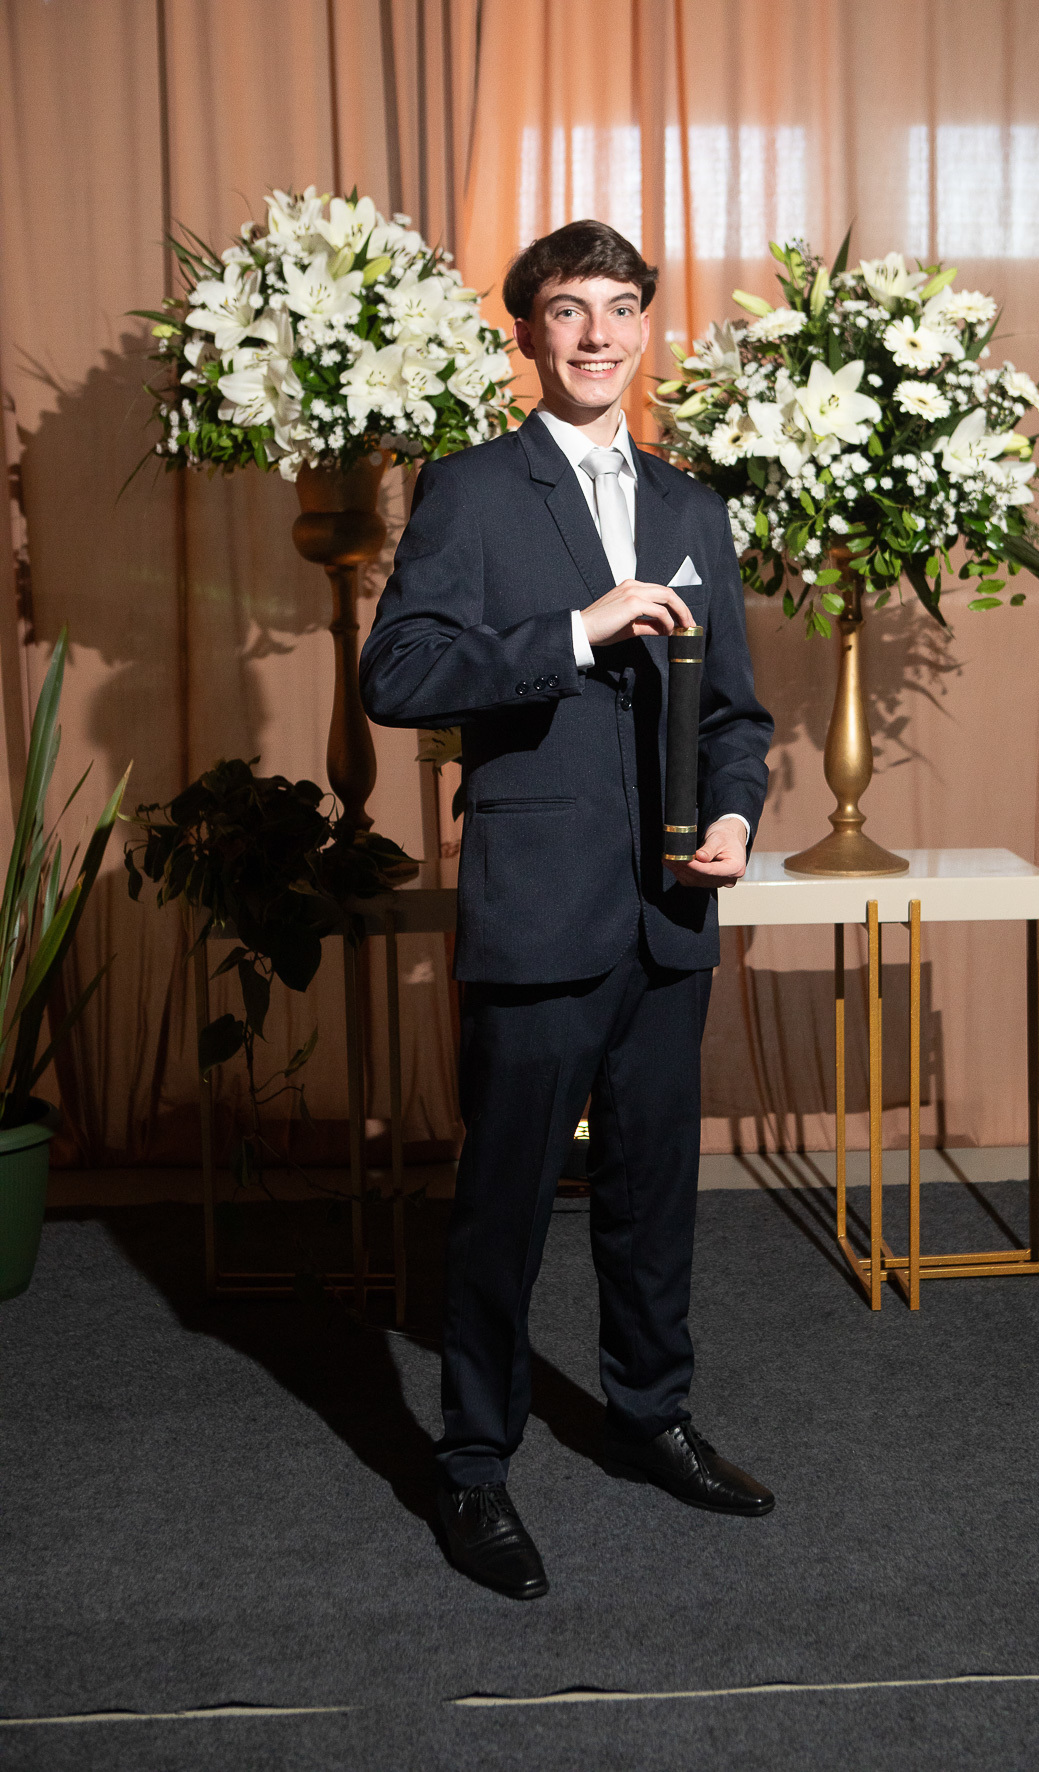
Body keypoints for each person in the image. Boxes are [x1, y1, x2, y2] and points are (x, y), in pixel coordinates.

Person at [360, 219, 775, 1601]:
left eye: (618, 308)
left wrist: (733, 817)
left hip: (668, 914)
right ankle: (473, 1464)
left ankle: (651, 1416)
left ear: (646, 327)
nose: (597, 334)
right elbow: (398, 676)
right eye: (566, 310)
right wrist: (575, 632)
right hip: (538, 907)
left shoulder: (693, 507)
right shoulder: (473, 491)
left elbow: (735, 717)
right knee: (504, 1205)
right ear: (530, 334)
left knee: (655, 1196)